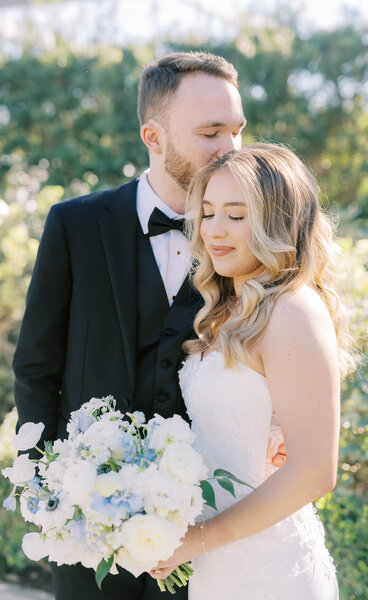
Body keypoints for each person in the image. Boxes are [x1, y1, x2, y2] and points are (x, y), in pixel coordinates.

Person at [13, 52, 286, 599]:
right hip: (88, 526)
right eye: (211, 132)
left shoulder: (257, 241)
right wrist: (45, 489)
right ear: (153, 136)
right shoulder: (75, 225)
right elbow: (36, 367)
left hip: (209, 526)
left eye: (237, 130)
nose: (231, 149)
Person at [150, 142, 355, 598]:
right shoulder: (226, 310)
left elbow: (314, 471)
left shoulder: (293, 311)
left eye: (237, 216)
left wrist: (196, 540)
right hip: (215, 564)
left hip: (271, 568)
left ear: (276, 222)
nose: (214, 230)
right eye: (207, 212)